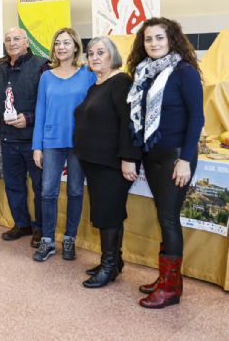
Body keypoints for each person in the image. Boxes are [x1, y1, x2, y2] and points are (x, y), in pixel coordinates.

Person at [126, 17, 204, 309]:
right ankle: (168, 278)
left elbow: (197, 117)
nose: (154, 43)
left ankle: (170, 289)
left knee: (169, 218)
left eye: (160, 38)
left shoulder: (184, 72)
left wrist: (185, 160)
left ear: (171, 39)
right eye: (148, 39)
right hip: (153, 153)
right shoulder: (144, 72)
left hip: (176, 155)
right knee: (163, 215)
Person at [73, 37, 141, 288]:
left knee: (108, 215)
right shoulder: (96, 85)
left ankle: (109, 265)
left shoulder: (121, 82)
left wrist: (129, 159)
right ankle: (114, 261)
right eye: (91, 53)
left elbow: (129, 123)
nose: (94, 57)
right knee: (106, 213)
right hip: (95, 162)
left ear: (113, 55)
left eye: (101, 52)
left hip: (113, 164)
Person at [32, 27, 96, 262]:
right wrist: (37, 146)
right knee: (48, 191)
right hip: (51, 142)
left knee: (75, 191)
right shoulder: (46, 76)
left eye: (66, 43)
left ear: (76, 47)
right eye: (58, 43)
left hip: (79, 143)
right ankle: (48, 240)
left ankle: (70, 238)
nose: (61, 47)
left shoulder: (88, 74)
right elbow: (40, 111)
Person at [0, 27, 48, 245]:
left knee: (39, 187)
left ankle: (40, 228)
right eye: (8, 39)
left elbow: (48, 103)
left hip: (32, 140)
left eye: (17, 38)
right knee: (13, 185)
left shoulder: (41, 66)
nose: (12, 42)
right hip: (8, 139)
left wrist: (29, 118)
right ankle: (22, 223)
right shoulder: (1, 68)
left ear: (27, 42)